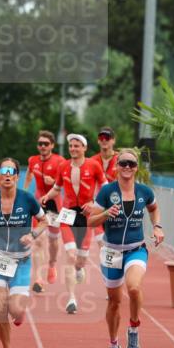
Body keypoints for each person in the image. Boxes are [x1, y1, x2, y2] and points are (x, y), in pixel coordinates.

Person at [89, 149, 165, 348]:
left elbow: (154, 208)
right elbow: (91, 221)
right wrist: (105, 215)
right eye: (123, 163)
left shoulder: (144, 192)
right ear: (116, 166)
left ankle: (133, 328)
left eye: (131, 164)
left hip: (135, 249)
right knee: (114, 302)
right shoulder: (106, 192)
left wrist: (157, 226)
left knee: (133, 288)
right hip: (111, 251)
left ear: (136, 168)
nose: (127, 167)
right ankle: (114, 345)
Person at [0, 158, 46, 348]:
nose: (7, 175)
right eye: (3, 172)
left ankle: (19, 312)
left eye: (11, 172)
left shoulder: (27, 199)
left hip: (21, 261)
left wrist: (32, 235)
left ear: (17, 176)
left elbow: (44, 220)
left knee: (15, 310)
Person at [39, 133, 106, 314]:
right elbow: (57, 188)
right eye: (71, 146)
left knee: (80, 260)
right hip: (68, 214)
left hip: (87, 215)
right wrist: (47, 196)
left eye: (77, 146)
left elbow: (105, 188)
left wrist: (94, 203)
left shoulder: (94, 165)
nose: (73, 149)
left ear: (84, 148)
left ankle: (79, 267)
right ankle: (71, 298)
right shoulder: (63, 166)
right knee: (70, 254)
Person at [24, 130, 65, 293]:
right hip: (38, 203)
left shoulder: (60, 161)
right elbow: (28, 174)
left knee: (54, 241)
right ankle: (38, 279)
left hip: (54, 204)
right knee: (38, 241)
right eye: (40, 143)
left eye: (46, 144)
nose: (42, 146)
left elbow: (66, 182)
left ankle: (52, 265)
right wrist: (25, 191)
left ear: (52, 146)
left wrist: (54, 182)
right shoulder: (32, 160)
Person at [94, 126, 118, 248]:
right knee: (103, 246)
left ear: (113, 140)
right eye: (101, 137)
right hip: (99, 208)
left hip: (117, 208)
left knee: (116, 245)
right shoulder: (92, 161)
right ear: (98, 140)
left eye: (107, 137)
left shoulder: (121, 160)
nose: (104, 140)